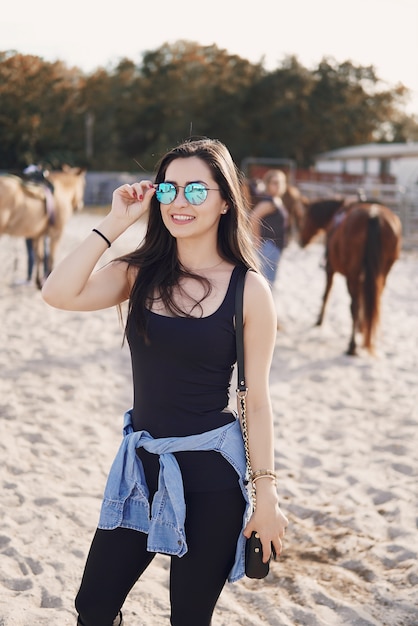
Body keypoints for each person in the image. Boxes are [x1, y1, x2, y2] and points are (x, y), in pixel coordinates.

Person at [42, 138, 288, 626]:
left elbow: (256, 401)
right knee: (93, 606)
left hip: (212, 479)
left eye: (197, 190)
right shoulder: (139, 273)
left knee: (188, 618)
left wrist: (268, 499)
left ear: (224, 201)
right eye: (170, 189)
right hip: (139, 471)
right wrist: (115, 223)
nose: (180, 202)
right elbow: (58, 292)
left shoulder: (249, 289)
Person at [249, 169, 289, 288]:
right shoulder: (269, 202)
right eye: (274, 182)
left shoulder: (277, 200)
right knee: (267, 284)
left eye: (281, 182)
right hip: (269, 246)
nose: (278, 186)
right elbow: (253, 218)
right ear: (268, 184)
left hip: (274, 247)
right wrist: (257, 240)